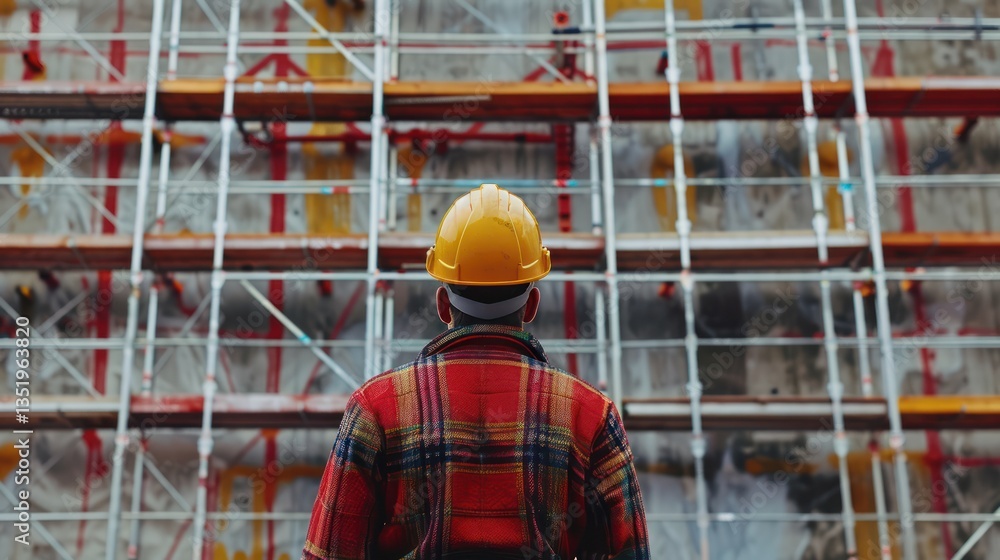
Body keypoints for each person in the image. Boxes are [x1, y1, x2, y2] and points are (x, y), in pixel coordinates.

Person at [302, 184, 649, 559]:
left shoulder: (376, 408)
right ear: (531, 304)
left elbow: (330, 552)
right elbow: (630, 551)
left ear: (441, 304)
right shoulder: (590, 415)